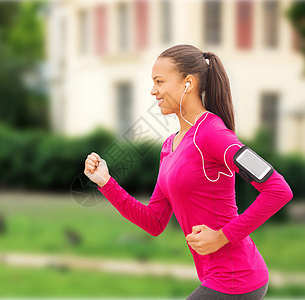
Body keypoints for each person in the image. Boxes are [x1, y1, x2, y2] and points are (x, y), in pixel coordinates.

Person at [84, 44, 293, 299]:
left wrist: (222, 237)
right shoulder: (169, 147)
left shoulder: (214, 134)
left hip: (236, 278)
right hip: (215, 278)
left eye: (159, 81)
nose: (153, 91)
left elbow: (278, 189)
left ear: (188, 83)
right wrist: (106, 182)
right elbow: (155, 222)